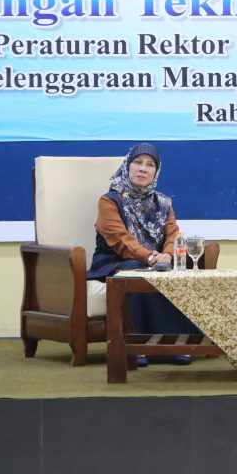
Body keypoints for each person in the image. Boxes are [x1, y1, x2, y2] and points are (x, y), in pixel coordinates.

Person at [87, 143, 195, 366]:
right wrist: (151, 258)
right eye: (137, 162)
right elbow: (120, 240)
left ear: (156, 172)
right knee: (134, 269)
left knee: (180, 268)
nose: (143, 168)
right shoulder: (110, 201)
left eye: (150, 165)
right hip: (116, 263)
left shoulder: (163, 203)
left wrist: (167, 255)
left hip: (157, 262)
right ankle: (137, 345)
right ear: (127, 166)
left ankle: (176, 342)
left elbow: (173, 234)